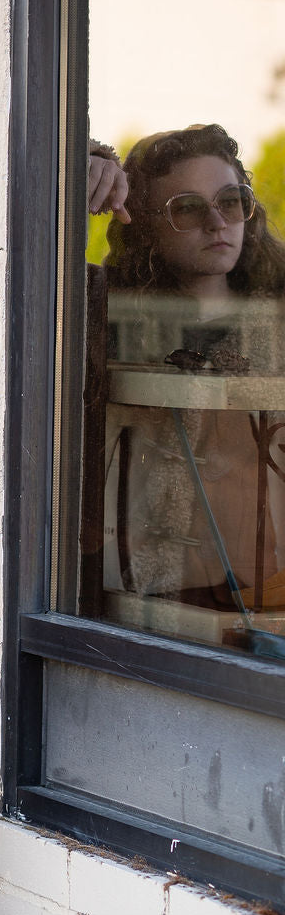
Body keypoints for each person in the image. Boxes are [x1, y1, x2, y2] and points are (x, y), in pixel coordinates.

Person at [86, 124, 285, 627]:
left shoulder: (277, 314)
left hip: (271, 583)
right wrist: (79, 165)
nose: (218, 222)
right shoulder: (106, 314)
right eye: (189, 208)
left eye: (232, 201)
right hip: (155, 594)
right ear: (146, 222)